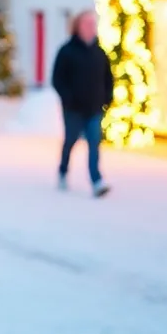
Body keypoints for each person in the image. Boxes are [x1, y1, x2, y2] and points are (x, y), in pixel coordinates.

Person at [51, 11, 113, 197]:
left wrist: (107, 98)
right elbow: (57, 79)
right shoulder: (67, 51)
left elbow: (108, 77)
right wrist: (68, 98)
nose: (90, 27)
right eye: (86, 24)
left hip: (94, 108)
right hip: (73, 109)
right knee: (71, 141)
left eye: (92, 24)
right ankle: (63, 170)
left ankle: (96, 180)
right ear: (78, 26)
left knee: (94, 144)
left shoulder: (99, 52)